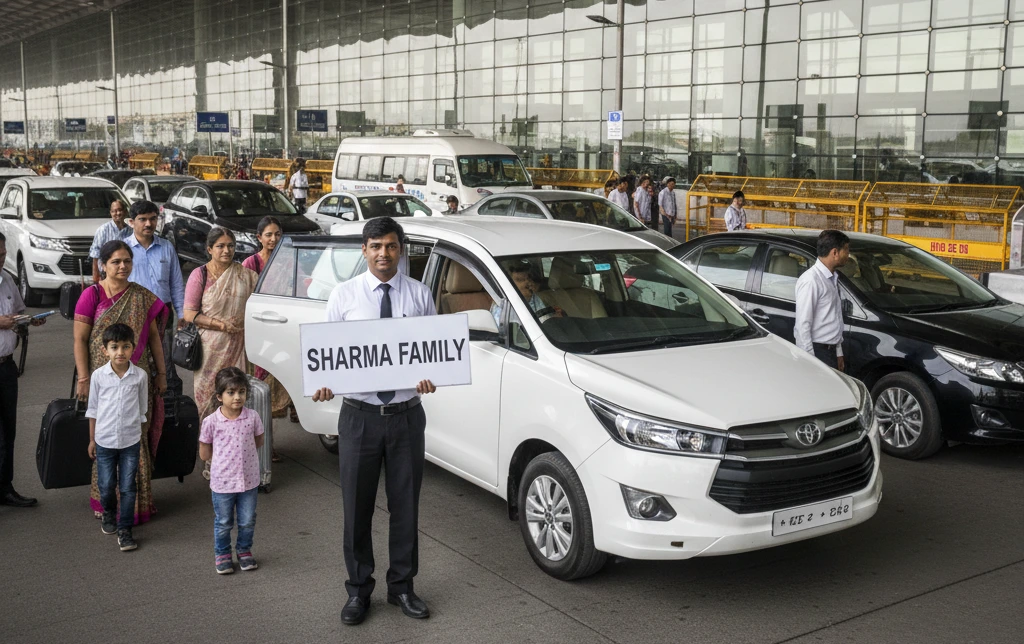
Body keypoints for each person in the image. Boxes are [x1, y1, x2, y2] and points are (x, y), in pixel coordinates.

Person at [312, 217, 437, 626]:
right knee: (356, 509)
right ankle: (358, 591)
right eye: (376, 246)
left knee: (406, 508)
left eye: (391, 245)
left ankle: (402, 587)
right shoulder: (344, 296)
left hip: (405, 417)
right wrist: (325, 383)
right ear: (364, 250)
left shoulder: (420, 295)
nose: (384, 253)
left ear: (401, 249)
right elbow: (327, 354)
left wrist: (430, 376)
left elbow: (432, 353)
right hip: (359, 418)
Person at [74, 239, 168, 523]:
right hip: (102, 380)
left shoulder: (141, 296)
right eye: (115, 261)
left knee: (134, 435)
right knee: (104, 438)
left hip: (135, 380)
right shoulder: (92, 295)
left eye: (127, 261)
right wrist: (84, 378)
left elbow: (153, 338)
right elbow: (79, 339)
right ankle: (107, 503)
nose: (123, 266)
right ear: (103, 265)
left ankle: (137, 505)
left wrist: (161, 374)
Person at [183, 227, 258, 421]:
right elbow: (189, 313)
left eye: (230, 246)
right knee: (208, 397)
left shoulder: (247, 276)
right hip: (209, 348)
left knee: (236, 397)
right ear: (209, 249)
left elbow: (257, 308)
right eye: (220, 246)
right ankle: (208, 445)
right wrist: (221, 325)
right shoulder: (200, 275)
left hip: (238, 345)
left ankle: (234, 445)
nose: (226, 250)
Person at [86, 322, 147, 552]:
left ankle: (125, 529)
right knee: (106, 484)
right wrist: (92, 440)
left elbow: (142, 410)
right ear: (105, 350)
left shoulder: (139, 376)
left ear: (133, 348)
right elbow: (92, 410)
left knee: (128, 487)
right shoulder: (98, 377)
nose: (120, 352)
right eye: (114, 347)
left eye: (125, 346)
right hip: (104, 441)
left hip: (131, 441)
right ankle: (109, 513)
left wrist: (140, 439)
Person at [199, 367, 265, 575]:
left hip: (249, 481)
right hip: (222, 483)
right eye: (231, 392)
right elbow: (204, 453)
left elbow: (259, 440)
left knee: (247, 520)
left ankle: (244, 551)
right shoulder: (211, 422)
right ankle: (223, 554)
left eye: (242, 392)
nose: (237, 397)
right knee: (224, 522)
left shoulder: (252, 417)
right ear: (219, 396)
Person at [0, 232, 46, 508]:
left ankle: (5, 488)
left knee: (7, 432)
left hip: (6, 367)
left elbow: (17, 312)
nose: (1, 258)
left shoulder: (7, 279)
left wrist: (27, 320)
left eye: (3, 253)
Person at [242, 216, 296, 435]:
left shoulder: (290, 261)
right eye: (269, 235)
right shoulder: (251, 264)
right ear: (259, 238)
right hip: (259, 329)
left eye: (278, 234)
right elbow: (244, 300)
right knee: (261, 387)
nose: (274, 239)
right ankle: (265, 444)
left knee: (284, 378)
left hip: (284, 327)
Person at [125, 200, 185, 392]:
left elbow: (176, 283)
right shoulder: (123, 249)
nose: (148, 224)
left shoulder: (166, 247)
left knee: (164, 361)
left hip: (163, 313)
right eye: (142, 219)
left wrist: (182, 314)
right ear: (131, 222)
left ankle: (166, 402)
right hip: (134, 313)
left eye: (152, 219)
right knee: (136, 358)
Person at [794, 230, 850, 372]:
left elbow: (833, 318)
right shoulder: (811, 280)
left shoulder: (831, 278)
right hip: (818, 352)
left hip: (830, 351)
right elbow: (802, 326)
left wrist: (838, 352)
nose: (848, 255)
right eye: (847, 250)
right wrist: (810, 362)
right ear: (835, 252)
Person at [490, 260, 545, 326]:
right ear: (509, 284)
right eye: (521, 280)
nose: (527, 282)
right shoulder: (503, 307)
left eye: (528, 278)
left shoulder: (535, 299)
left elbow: (545, 320)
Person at [89, 200, 132, 283]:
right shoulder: (103, 230)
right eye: (114, 211)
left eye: (120, 210)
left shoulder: (131, 231)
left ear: (125, 212)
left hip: (126, 274)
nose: (118, 213)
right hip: (106, 275)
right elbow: (95, 255)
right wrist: (95, 278)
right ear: (111, 213)